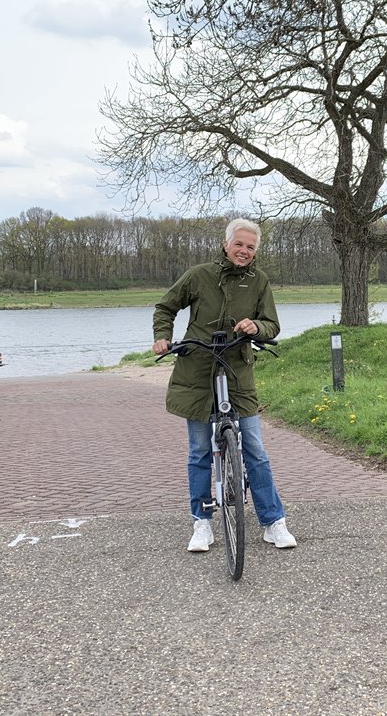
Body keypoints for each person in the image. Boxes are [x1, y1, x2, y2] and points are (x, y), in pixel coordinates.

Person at [152, 217, 297, 552]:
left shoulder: (258, 281)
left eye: (250, 247)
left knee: (256, 450)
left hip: (238, 372)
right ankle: (201, 523)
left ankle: (273, 521)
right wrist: (163, 337)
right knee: (200, 451)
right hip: (197, 371)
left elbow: (272, 324)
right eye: (239, 244)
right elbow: (166, 307)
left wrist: (255, 328)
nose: (244, 251)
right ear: (226, 243)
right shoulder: (199, 275)